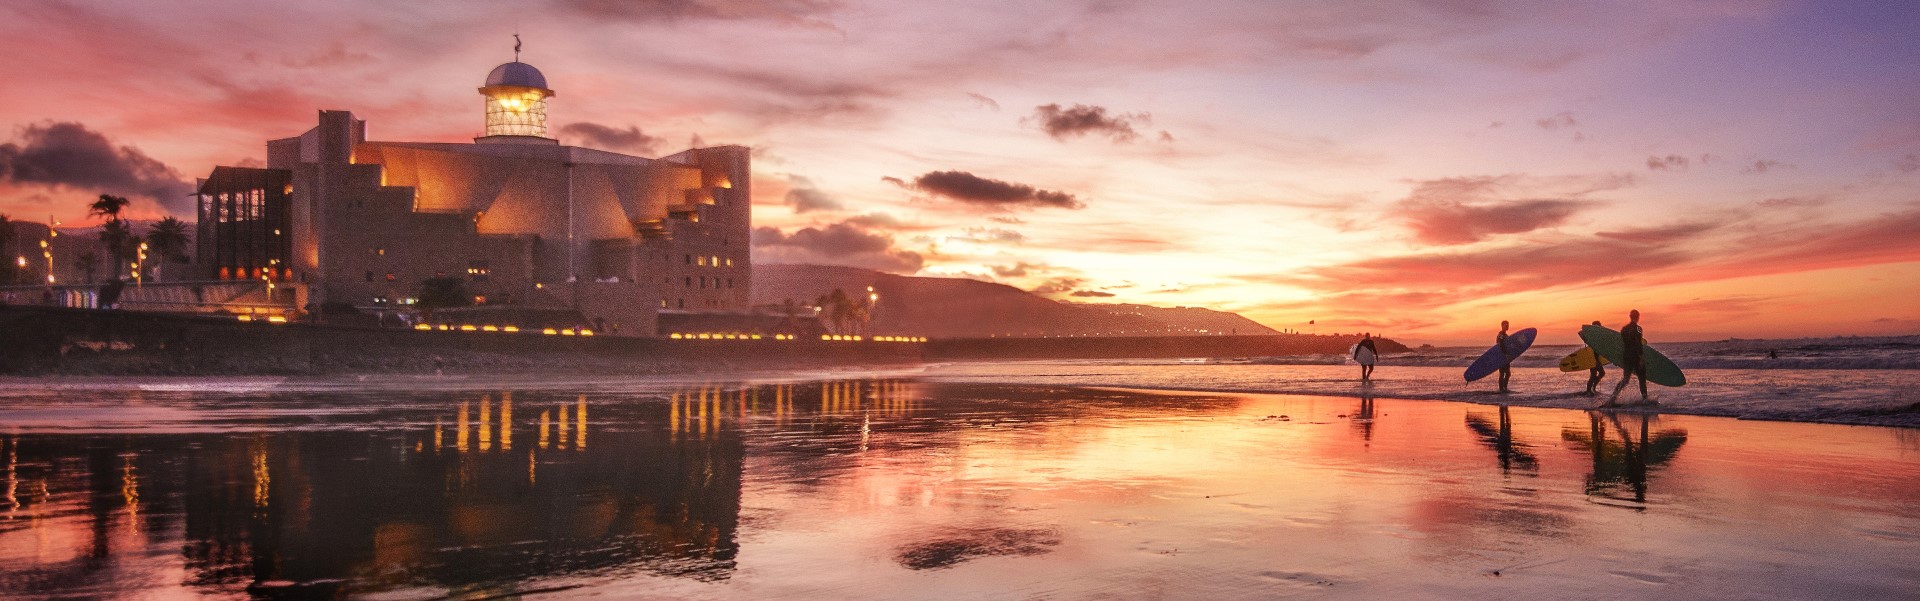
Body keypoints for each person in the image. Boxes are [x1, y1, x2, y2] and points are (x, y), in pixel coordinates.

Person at [1607, 309, 1650, 406]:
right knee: (1642, 378)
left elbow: (1621, 345)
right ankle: (1645, 400)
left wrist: (1616, 358)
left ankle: (1612, 398)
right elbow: (1638, 343)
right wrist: (1641, 357)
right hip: (1635, 356)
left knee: (1625, 379)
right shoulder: (1638, 329)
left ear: (1630, 317)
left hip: (1626, 356)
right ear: (1638, 317)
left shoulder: (1624, 329)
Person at [1585, 320, 1607, 395]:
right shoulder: (1593, 337)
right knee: (1595, 374)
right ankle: (1589, 390)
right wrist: (1597, 361)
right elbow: (1594, 350)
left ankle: (1592, 388)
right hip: (1593, 359)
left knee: (1598, 373)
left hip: (1593, 359)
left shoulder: (1594, 336)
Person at [1496, 320, 1514, 393]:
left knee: (1507, 373)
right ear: (1502, 326)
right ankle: (1502, 389)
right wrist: (1505, 354)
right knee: (1503, 373)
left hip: (1506, 357)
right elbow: (1499, 344)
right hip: (1502, 356)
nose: (1507, 326)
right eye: (1505, 325)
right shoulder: (1500, 334)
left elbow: (1508, 346)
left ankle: (1504, 388)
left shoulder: (1506, 335)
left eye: (1508, 325)